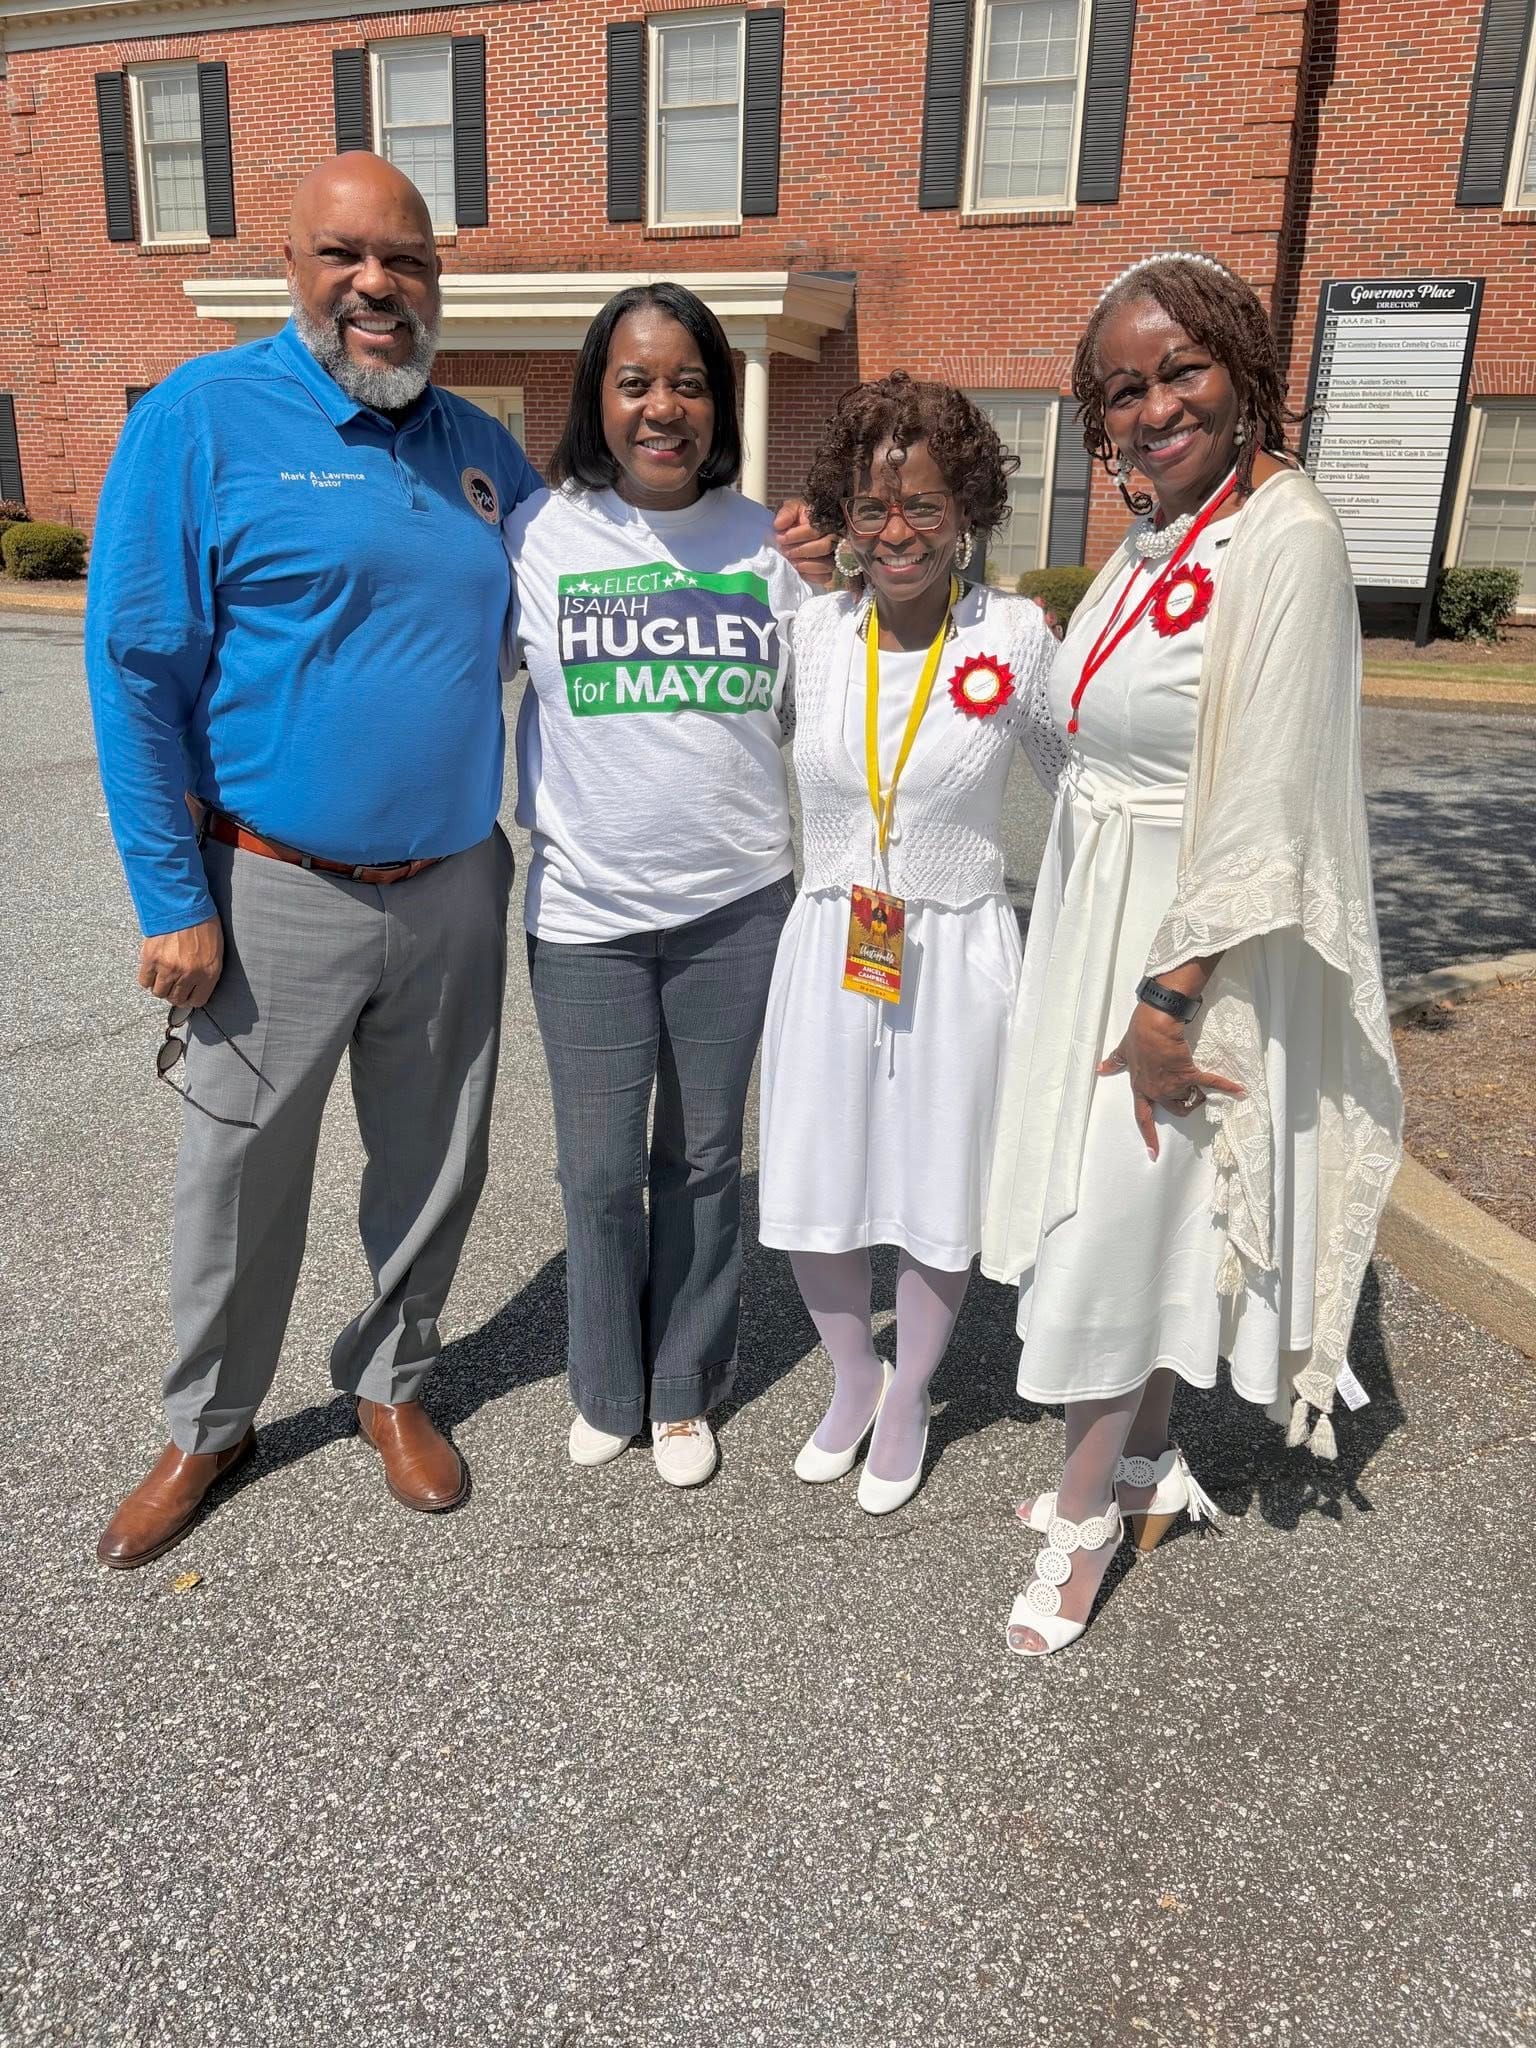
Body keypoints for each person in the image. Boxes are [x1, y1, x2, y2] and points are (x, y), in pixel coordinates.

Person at [87, 153, 538, 1569]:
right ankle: (211, 1422)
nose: (376, 284)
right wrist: (172, 898)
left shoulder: (481, 448)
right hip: (270, 885)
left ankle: (392, 1382)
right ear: (289, 266)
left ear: (438, 280)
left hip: (454, 882)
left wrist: (768, 563)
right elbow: (135, 673)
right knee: (237, 1178)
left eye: (406, 258)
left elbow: (587, 594)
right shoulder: (199, 420)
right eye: (344, 255)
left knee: (435, 1161)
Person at [981, 253, 1403, 1655]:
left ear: (1244, 368)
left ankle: (1084, 1516)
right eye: (1123, 389)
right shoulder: (1159, 531)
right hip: (1101, 910)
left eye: (1181, 370)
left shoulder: (1286, 537)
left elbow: (1270, 795)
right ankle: (1149, 1466)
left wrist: (1169, 1003)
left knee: (1115, 1211)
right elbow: (1084, 733)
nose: (1154, 407)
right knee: (1151, 1215)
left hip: (1191, 943)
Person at [504, 282, 808, 1487]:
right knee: (596, 1172)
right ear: (599, 397)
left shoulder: (768, 547)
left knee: (705, 1160)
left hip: (736, 907)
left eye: (687, 382)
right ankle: (605, 1380)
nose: (661, 407)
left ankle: (683, 1383)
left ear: (718, 402)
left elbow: (829, 711)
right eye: (635, 382)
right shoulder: (537, 535)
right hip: (587, 915)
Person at [756, 375, 1062, 1514]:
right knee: (814, 1169)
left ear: (966, 510)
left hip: (960, 951)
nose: (897, 532)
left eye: (924, 505)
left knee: (941, 1178)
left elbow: (1088, 787)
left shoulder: (1017, 636)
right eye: (873, 506)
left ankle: (914, 1390)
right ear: (844, 512)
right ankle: (855, 1374)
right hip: (833, 937)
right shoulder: (811, 631)